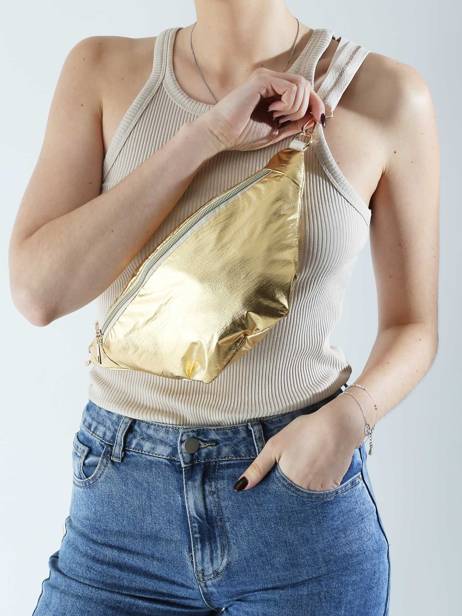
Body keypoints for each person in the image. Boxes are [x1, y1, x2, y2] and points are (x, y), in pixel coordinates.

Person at [10, 1, 439, 614]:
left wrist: (346, 423)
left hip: (297, 507)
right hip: (119, 517)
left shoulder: (386, 94)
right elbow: (39, 294)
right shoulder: (101, 70)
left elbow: (414, 326)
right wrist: (205, 137)